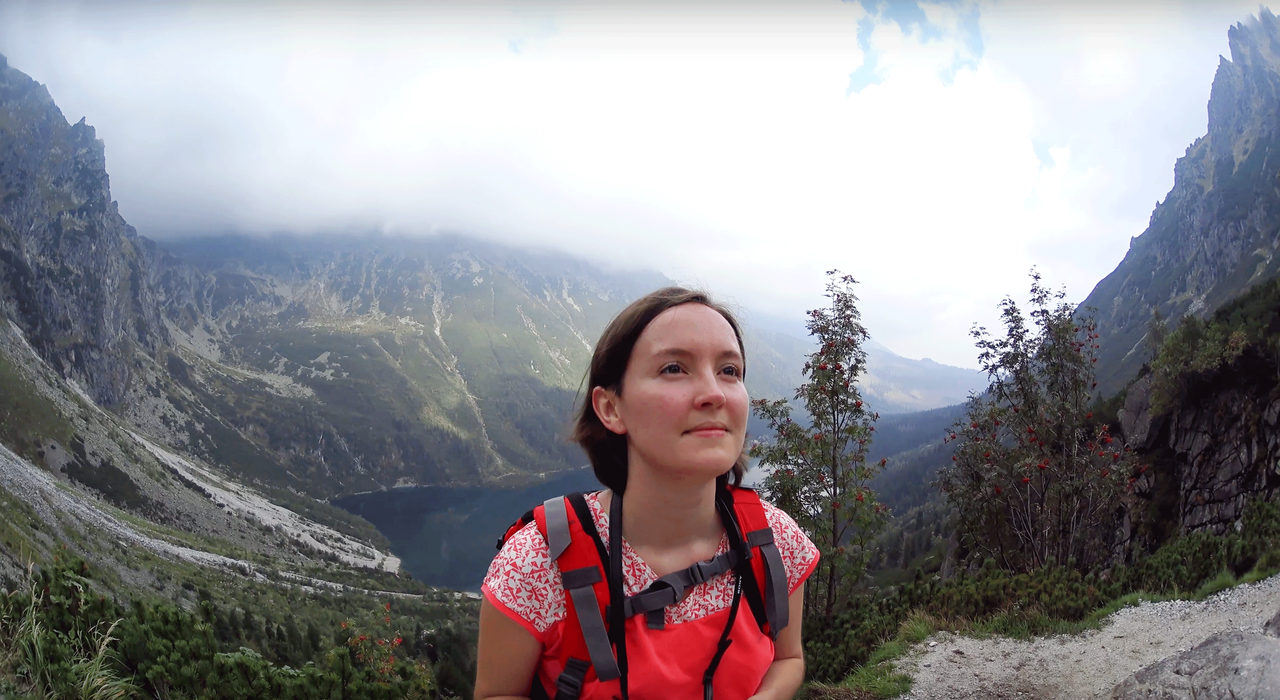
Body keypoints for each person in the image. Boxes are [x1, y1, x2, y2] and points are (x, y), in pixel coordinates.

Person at [475, 287, 819, 700]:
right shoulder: (538, 564)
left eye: (730, 370)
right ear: (610, 408)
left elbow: (787, 659)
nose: (714, 393)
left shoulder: (773, 540)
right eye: (675, 368)